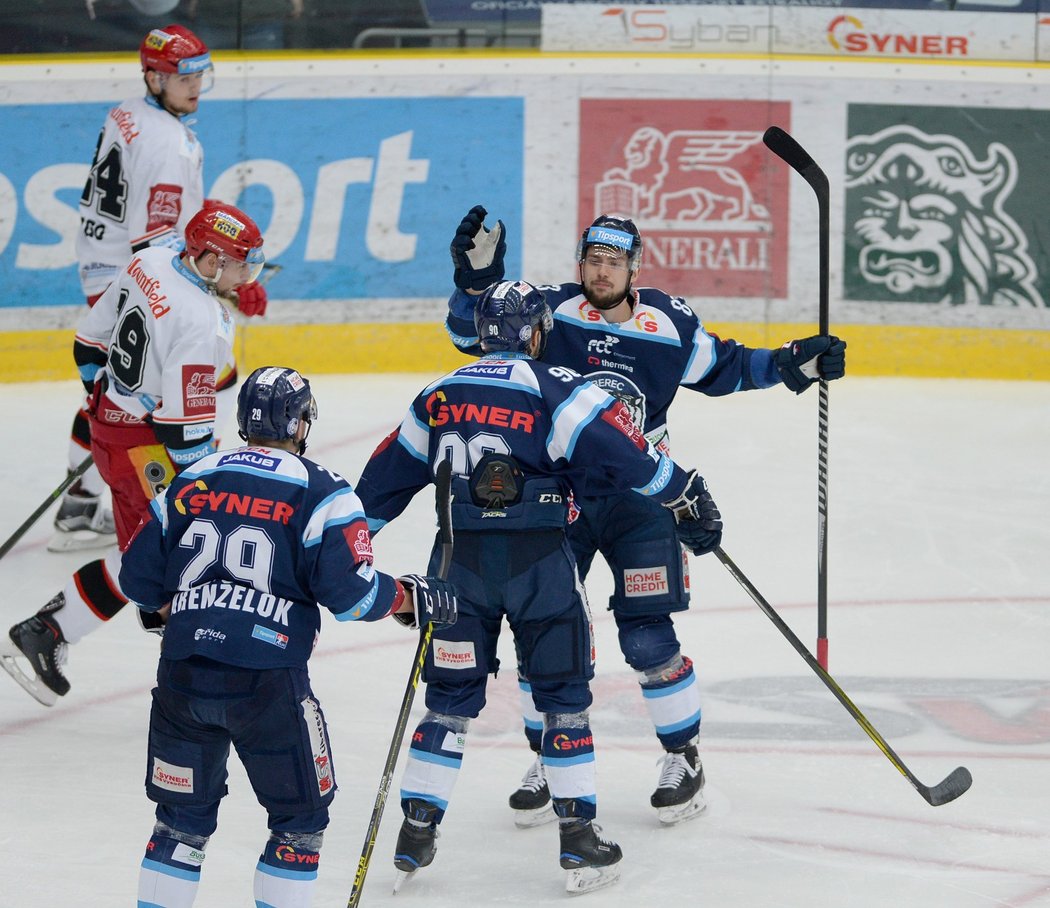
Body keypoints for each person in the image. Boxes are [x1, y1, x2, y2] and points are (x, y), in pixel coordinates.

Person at [445, 206, 848, 826]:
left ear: (634, 267)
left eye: (612, 262)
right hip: (560, 498)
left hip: (641, 499)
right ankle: (552, 756)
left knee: (647, 634)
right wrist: (475, 284)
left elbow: (729, 367)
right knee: (542, 633)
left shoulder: (670, 323)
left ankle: (683, 758)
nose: (599, 271)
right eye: (591, 259)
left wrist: (797, 361)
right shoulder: (549, 312)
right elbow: (475, 340)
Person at [353, 280, 724, 895]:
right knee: (561, 699)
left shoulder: (438, 393)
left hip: (456, 568)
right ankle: (579, 841)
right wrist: (684, 492)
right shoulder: (559, 391)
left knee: (447, 703)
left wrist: (348, 554)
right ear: (537, 331)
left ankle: (416, 828)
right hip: (539, 567)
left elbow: (378, 488)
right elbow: (629, 459)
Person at [115, 365, 456, 908]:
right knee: (298, 825)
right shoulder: (323, 490)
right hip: (267, 686)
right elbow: (353, 596)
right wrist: (407, 598)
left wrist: (189, 604)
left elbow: (135, 579)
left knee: (179, 828)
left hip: (183, 676)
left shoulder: (191, 478)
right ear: (299, 424)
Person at [1, 202, 265, 707]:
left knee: (151, 554)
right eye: (239, 263)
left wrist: (106, 404)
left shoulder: (150, 262)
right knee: (180, 552)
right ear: (209, 261)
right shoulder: (202, 323)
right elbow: (184, 433)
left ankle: (55, 629)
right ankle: (58, 633)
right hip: (143, 448)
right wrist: (206, 489)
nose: (247, 274)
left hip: (108, 425)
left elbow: (86, 345)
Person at [51, 23, 268, 553]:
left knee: (119, 388)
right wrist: (225, 284)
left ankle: (83, 496)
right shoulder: (170, 144)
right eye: (181, 77)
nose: (194, 87)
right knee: (184, 376)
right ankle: (184, 478)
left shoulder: (129, 110)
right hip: (127, 267)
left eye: (199, 75)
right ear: (153, 75)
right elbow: (157, 238)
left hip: (105, 261)